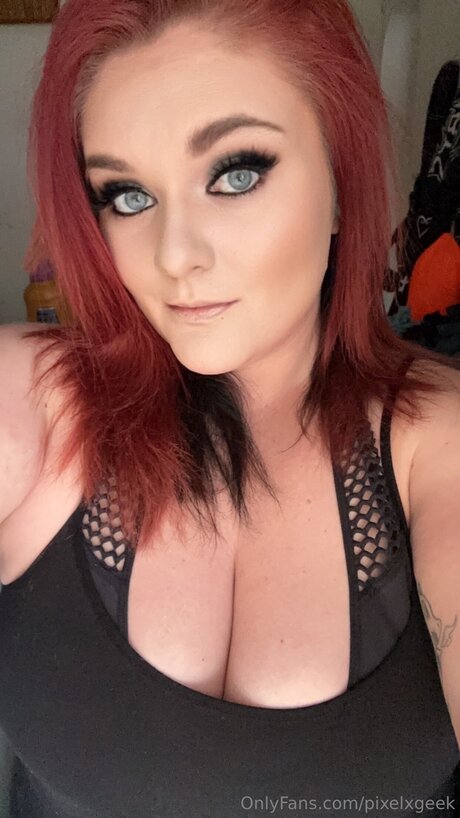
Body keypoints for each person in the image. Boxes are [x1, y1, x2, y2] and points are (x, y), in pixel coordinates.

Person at [0, 0, 459, 815]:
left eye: (236, 174)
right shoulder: (38, 401)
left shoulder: (440, 443)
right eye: (126, 196)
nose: (175, 256)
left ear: (342, 183)